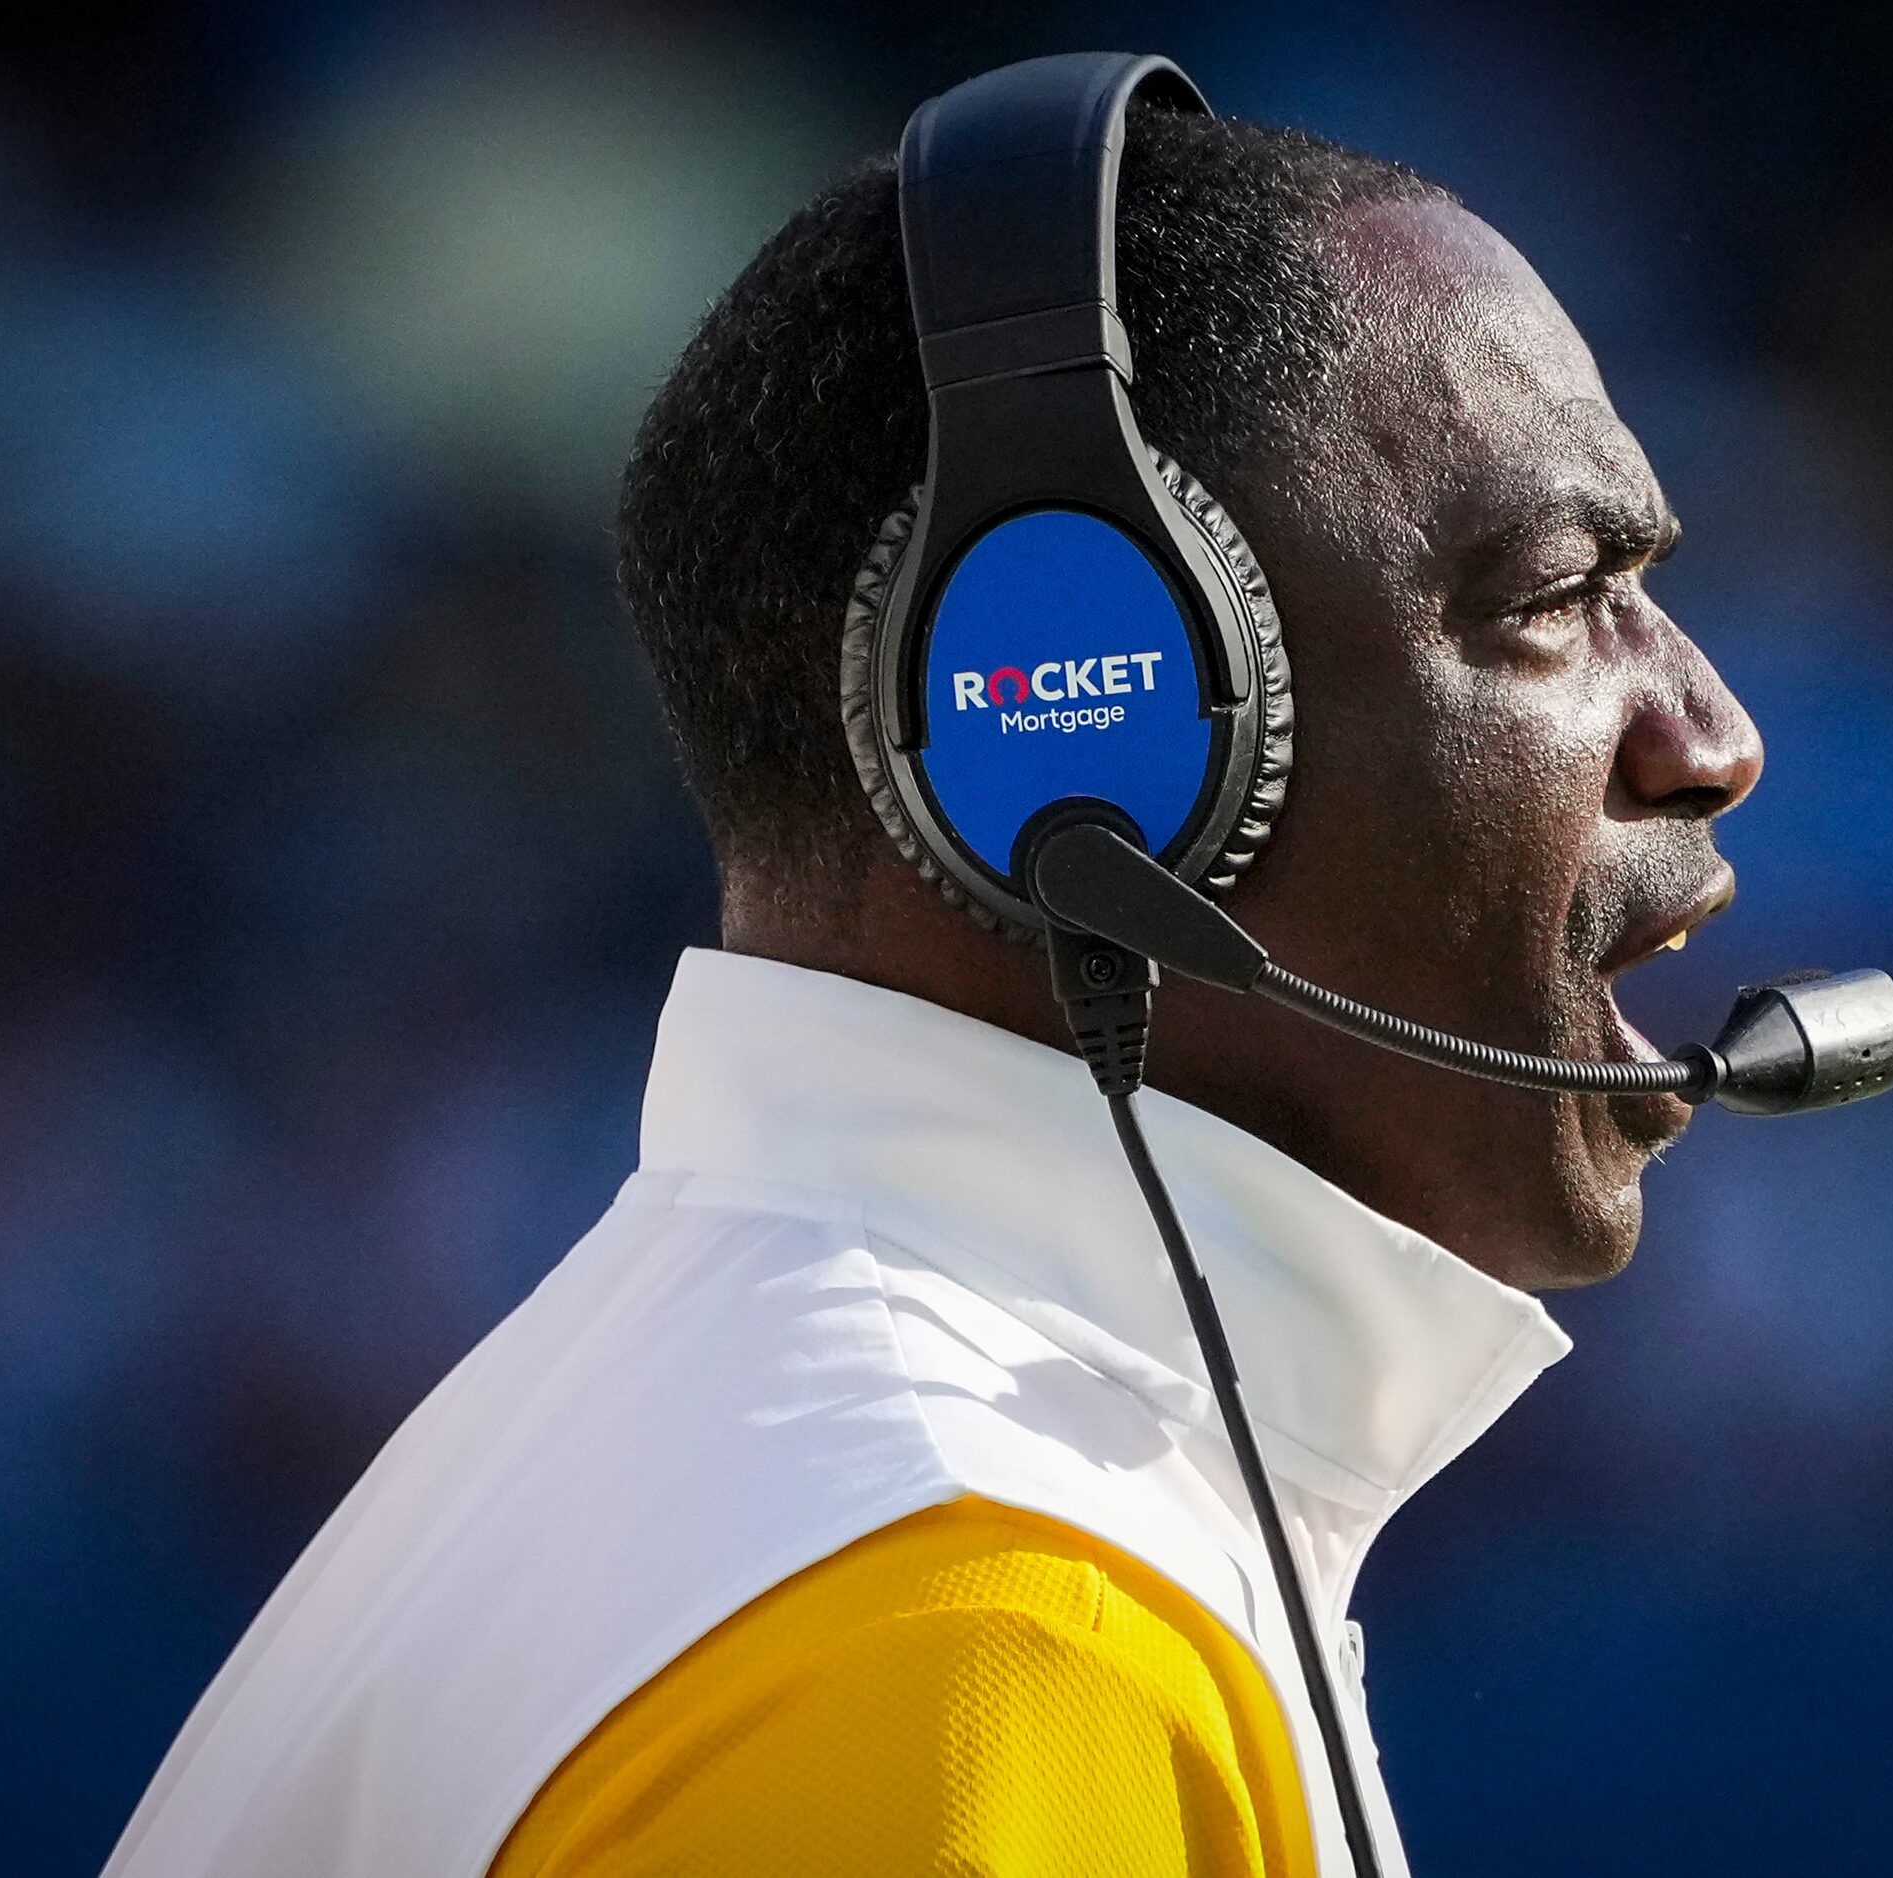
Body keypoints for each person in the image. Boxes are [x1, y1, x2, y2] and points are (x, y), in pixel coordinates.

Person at [105, 79, 1762, 1878]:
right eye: (1558, 588)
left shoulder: (779, 1476)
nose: (1708, 737)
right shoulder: (978, 1632)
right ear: (1095, 725)